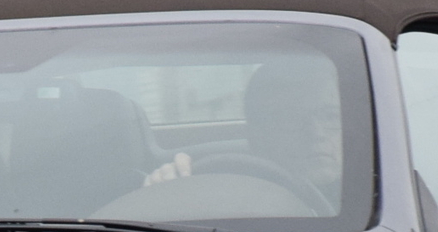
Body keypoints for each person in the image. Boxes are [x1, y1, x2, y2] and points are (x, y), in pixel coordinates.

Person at [142, 59, 342, 205]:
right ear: (258, 135)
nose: (316, 132)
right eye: (292, 119)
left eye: (330, 116)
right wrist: (165, 190)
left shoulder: (372, 200)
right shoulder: (221, 193)